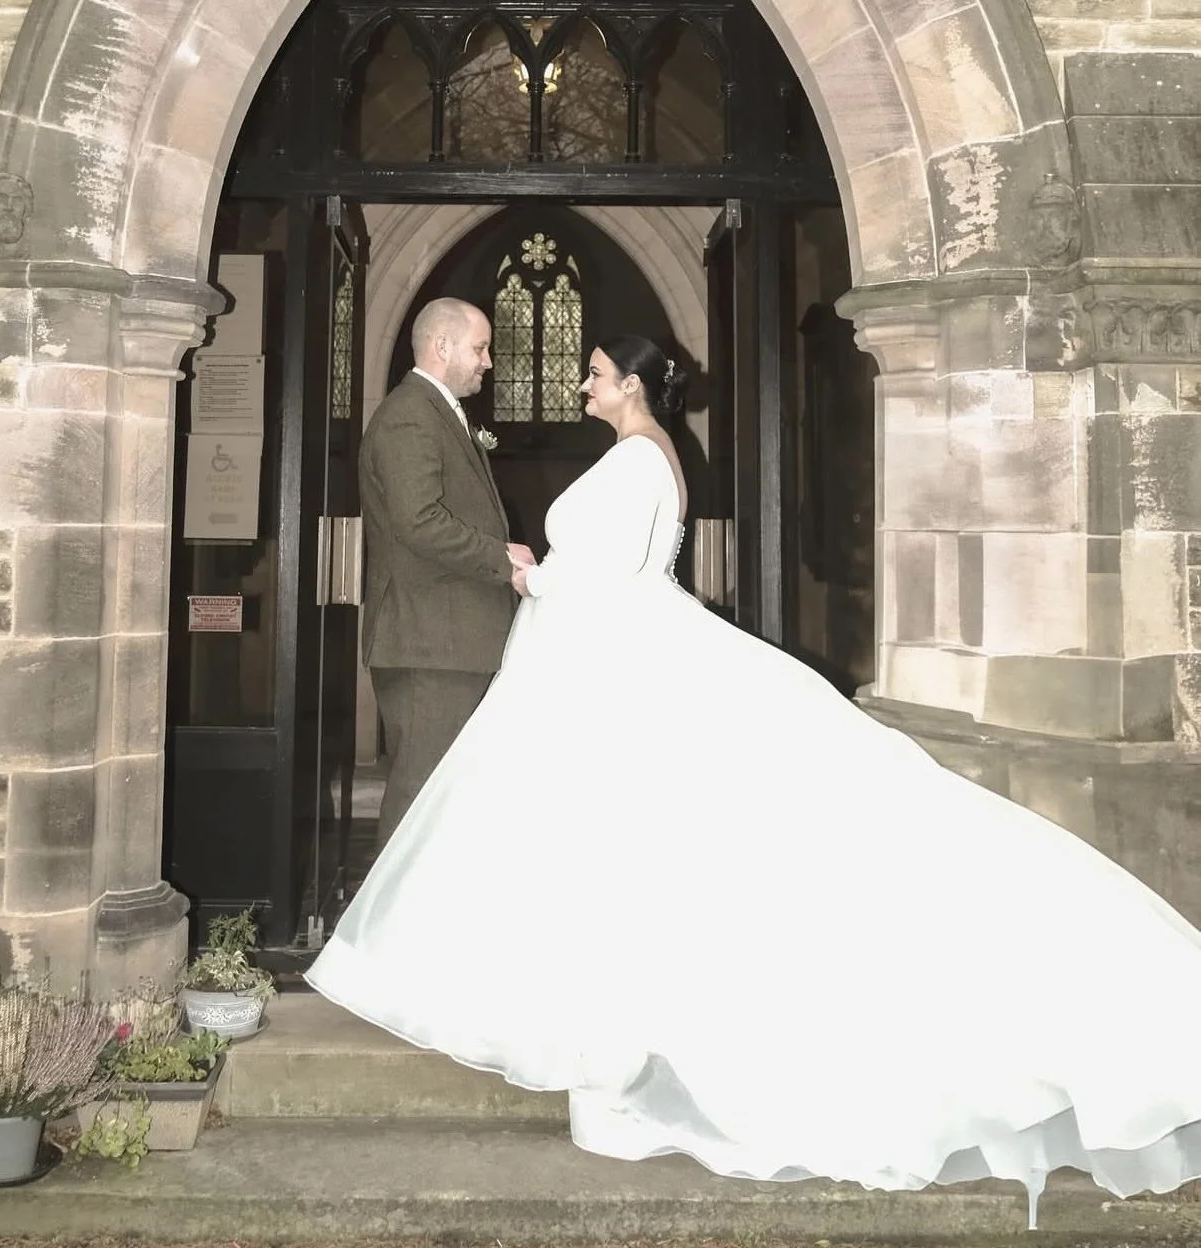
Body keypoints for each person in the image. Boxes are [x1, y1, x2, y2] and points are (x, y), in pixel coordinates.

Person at [309, 333, 1201, 1227]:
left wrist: (533, 577)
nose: (581, 382)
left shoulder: (634, 463)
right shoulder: (652, 455)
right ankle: (615, 1067)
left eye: (594, 372)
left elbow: (605, 579)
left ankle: (629, 1070)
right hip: (613, 667)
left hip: (615, 673)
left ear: (629, 387)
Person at [358, 296, 533, 846]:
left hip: (448, 639)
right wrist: (500, 559)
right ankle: (385, 928)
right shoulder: (410, 415)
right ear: (442, 346)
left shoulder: (430, 413)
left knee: (446, 797)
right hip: (429, 641)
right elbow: (419, 522)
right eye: (479, 348)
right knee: (421, 797)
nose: (487, 361)